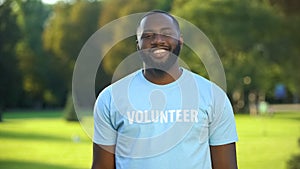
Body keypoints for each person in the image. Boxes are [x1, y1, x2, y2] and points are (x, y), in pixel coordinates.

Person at [92, 10, 238, 169]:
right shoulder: (110, 98)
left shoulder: (213, 96)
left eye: (167, 33)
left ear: (180, 40)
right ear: (138, 45)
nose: (158, 40)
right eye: (148, 36)